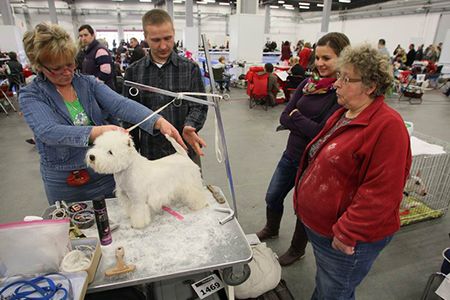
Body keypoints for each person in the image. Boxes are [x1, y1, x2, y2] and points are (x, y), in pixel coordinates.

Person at [19, 22, 185, 205]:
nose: (67, 72)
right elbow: (48, 131)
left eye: (70, 64)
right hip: (66, 183)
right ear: (39, 66)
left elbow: (120, 104)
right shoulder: (31, 95)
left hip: (105, 176)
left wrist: (157, 121)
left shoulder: (87, 83)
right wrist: (98, 132)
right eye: (57, 68)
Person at [294, 44, 412, 299]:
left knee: (335, 292)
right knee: (328, 284)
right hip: (323, 229)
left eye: (346, 79)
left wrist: (348, 232)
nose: (336, 84)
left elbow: (382, 192)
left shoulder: (387, 126)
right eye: (339, 76)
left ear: (370, 86)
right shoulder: (343, 114)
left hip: (347, 238)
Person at [256, 32, 350, 266]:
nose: (319, 63)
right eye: (317, 58)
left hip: (314, 164)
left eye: (326, 58)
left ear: (342, 58)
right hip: (291, 155)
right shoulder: (309, 84)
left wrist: (297, 119)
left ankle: (298, 249)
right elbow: (285, 115)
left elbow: (323, 133)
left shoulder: (338, 94)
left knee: (304, 211)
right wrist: (301, 122)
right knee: (273, 195)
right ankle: (272, 228)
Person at [124, 9, 208, 164]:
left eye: (168, 38)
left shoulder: (190, 69)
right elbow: (129, 116)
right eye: (156, 40)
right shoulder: (133, 73)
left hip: (185, 153)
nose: (163, 46)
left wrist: (190, 125)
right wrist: (131, 153)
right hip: (150, 158)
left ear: (174, 33)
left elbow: (199, 105)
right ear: (145, 37)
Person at [78, 24, 115, 90]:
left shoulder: (100, 50)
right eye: (81, 36)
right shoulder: (87, 51)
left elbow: (106, 72)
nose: (83, 38)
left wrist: (94, 86)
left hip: (103, 90)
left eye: (86, 35)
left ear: (92, 35)